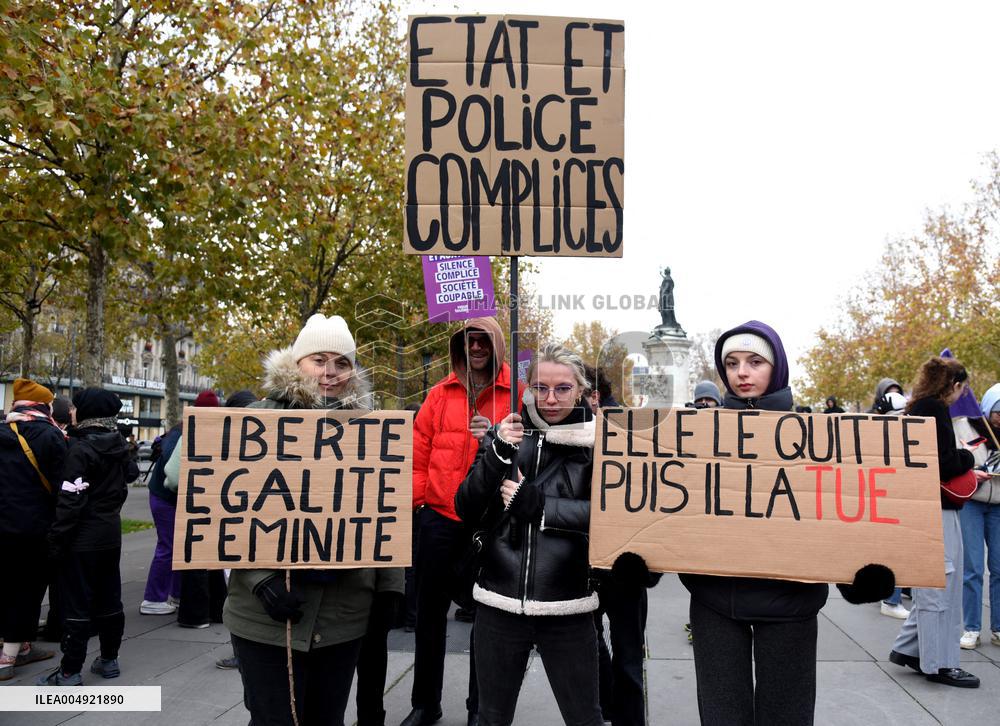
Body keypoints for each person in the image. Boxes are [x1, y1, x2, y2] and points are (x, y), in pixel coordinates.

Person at [679, 321, 891, 725]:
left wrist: (856, 573)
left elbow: (832, 512)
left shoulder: (818, 438)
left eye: (755, 361)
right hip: (714, 602)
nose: (742, 372)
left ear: (776, 368)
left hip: (790, 604)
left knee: (787, 717)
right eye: (732, 362)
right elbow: (671, 512)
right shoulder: (695, 437)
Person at [224, 313, 402, 726]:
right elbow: (227, 514)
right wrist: (260, 578)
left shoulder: (371, 431)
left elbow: (386, 509)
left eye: (342, 363)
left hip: (345, 615)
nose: (330, 372)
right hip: (264, 619)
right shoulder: (256, 421)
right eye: (319, 359)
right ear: (297, 362)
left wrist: (391, 586)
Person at [455, 342, 603, 726]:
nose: (550, 398)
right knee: (490, 717)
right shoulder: (506, 436)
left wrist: (540, 507)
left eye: (562, 388)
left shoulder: (600, 445)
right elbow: (466, 506)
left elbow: (611, 517)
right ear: (528, 388)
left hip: (567, 606)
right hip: (498, 603)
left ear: (583, 391)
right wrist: (498, 452)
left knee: (584, 717)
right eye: (540, 387)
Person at [403, 317, 522, 726]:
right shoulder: (439, 394)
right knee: (428, 616)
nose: (476, 347)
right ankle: (425, 704)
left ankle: (479, 708)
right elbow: (418, 453)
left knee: (485, 622)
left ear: (496, 346)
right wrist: (419, 505)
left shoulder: (515, 396)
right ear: (460, 346)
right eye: (469, 341)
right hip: (437, 519)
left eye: (483, 340)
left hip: (489, 524)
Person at [889, 356, 989, 687]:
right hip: (938, 507)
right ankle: (939, 664)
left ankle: (909, 648)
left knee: (932, 581)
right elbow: (944, 463)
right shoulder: (935, 410)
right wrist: (968, 458)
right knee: (941, 585)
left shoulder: (917, 407)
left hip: (922, 505)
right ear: (955, 384)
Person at [38, 387, 136, 685]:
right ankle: (109, 659)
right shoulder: (118, 444)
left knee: (77, 603)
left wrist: (57, 539)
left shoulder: (79, 449)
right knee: (109, 597)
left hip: (82, 537)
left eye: (75, 407)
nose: (71, 411)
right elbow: (131, 475)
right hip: (110, 533)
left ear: (86, 412)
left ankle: (69, 670)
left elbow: (70, 500)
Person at [584, 365, 659, 726]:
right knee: (598, 647)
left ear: (593, 395)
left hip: (624, 565)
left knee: (626, 654)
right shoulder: (571, 430)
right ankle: (613, 710)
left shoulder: (628, 429)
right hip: (598, 562)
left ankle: (623, 716)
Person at [0, 379, 67, 680]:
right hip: (34, 527)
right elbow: (61, 484)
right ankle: (8, 657)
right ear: (43, 406)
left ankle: (23, 647)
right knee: (26, 589)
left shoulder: (2, 430)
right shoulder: (51, 435)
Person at [161, 390, 229, 628]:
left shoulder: (191, 432)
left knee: (195, 557)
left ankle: (195, 615)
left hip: (194, 500)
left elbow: (172, 474)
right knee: (215, 557)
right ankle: (218, 610)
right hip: (222, 501)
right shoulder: (229, 433)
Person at [958, 382, 1000, 649]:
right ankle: (971, 627)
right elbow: (961, 460)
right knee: (972, 568)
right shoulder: (971, 429)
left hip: (999, 505)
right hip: (972, 502)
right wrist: (975, 471)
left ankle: (998, 627)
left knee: (999, 568)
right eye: (998, 411)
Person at [140, 407, 183, 615]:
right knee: (169, 546)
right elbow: (173, 477)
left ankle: (174, 594)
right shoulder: (183, 434)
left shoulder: (177, 432)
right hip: (167, 497)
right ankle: (153, 599)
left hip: (163, 496)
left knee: (174, 547)